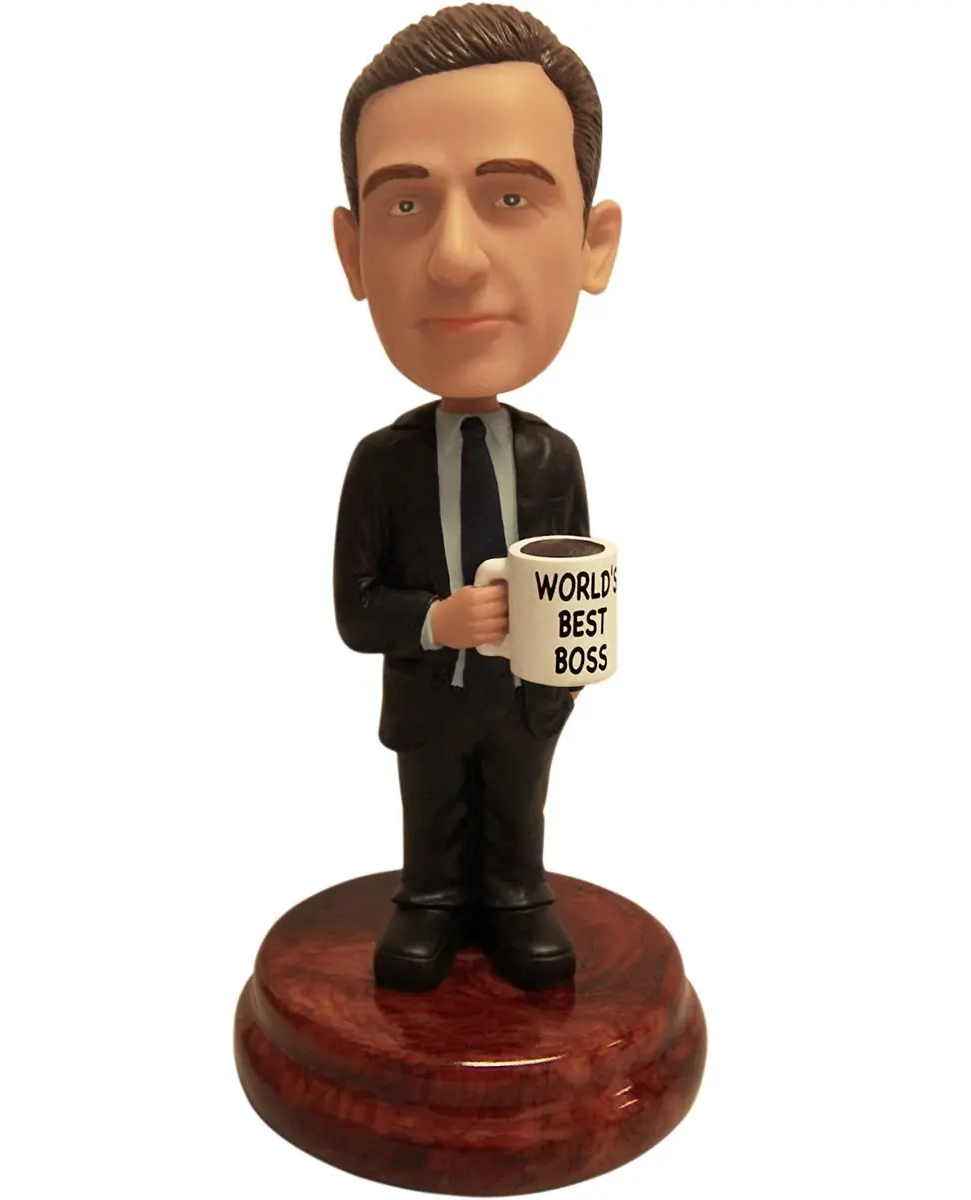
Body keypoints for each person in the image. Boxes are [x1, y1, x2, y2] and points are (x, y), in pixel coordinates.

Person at [331, 3, 622, 992]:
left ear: (594, 242)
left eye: (508, 196)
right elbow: (355, 610)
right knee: (433, 807)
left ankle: (512, 892)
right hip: (429, 699)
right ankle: (430, 895)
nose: (456, 258)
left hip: (527, 702)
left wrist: (567, 670)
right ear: (352, 254)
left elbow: (579, 574)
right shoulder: (383, 466)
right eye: (405, 207)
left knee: (516, 805)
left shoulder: (553, 459)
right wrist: (436, 621)